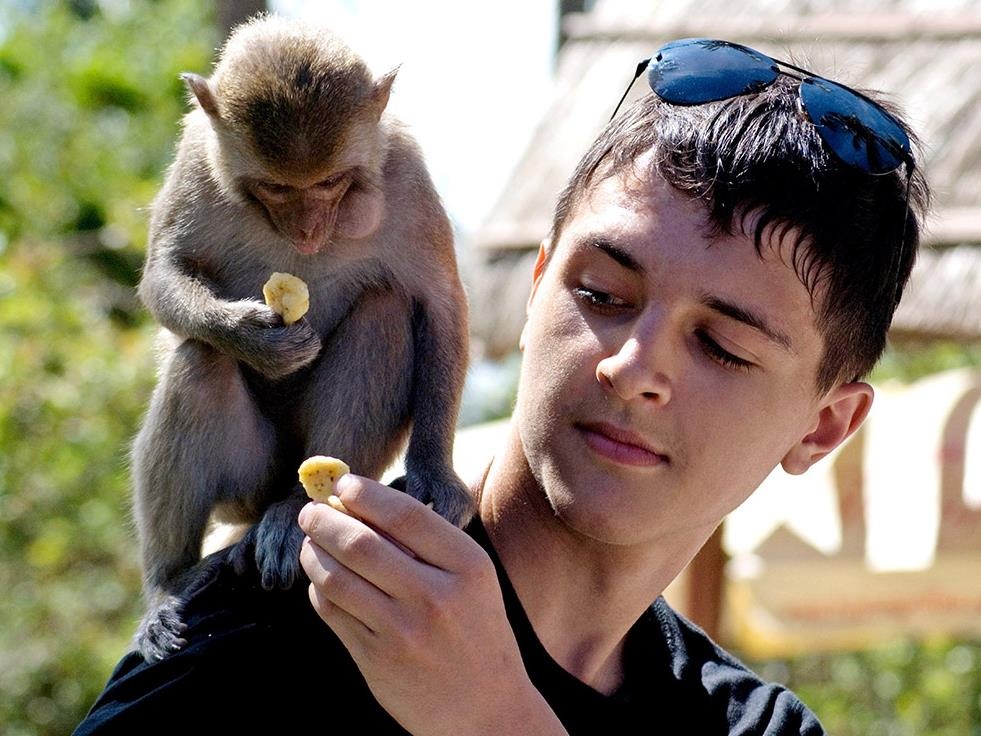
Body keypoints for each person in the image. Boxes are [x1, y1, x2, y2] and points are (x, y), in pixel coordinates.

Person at [74, 38, 927, 734]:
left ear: (822, 428)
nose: (629, 368)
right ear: (532, 291)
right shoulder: (295, 609)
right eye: (600, 295)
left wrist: (495, 722)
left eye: (721, 345)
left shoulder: (751, 730)